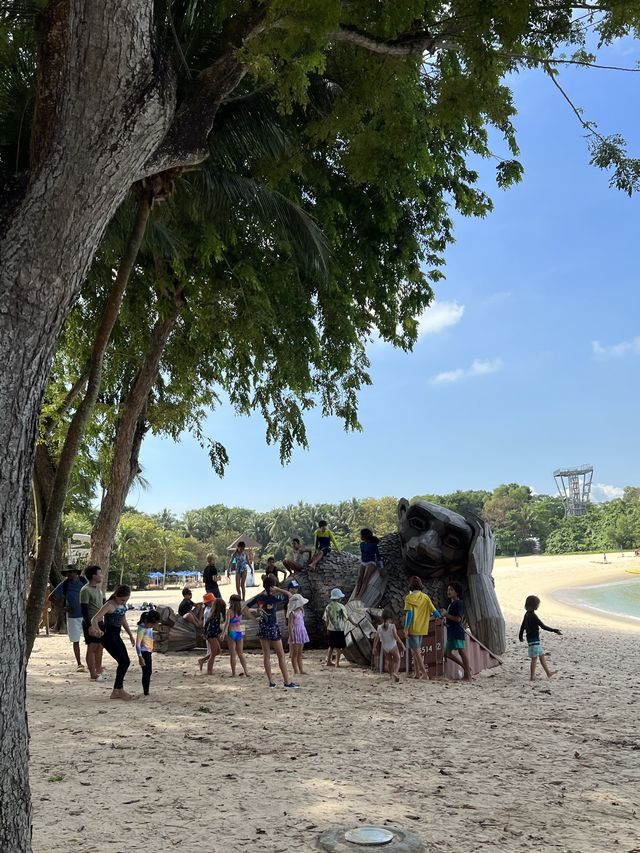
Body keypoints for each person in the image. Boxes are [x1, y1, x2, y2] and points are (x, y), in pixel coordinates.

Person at [246, 575, 299, 688]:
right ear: (272, 586)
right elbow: (290, 596)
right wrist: (278, 589)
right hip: (273, 627)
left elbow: (244, 609)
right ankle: (287, 682)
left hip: (262, 627)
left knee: (266, 655)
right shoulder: (275, 597)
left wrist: (255, 619)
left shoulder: (259, 597)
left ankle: (271, 682)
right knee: (281, 655)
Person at [89, 585, 136, 700]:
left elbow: (123, 619)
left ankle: (118, 690)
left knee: (126, 661)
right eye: (122, 600)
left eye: (126, 600)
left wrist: (130, 634)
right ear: (116, 596)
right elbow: (94, 619)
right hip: (108, 637)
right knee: (123, 662)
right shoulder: (109, 605)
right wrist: (97, 629)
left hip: (117, 636)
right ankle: (117, 690)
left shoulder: (122, 605)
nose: (124, 602)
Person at [50, 566, 87, 671]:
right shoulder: (65, 585)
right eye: (68, 573)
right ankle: (79, 663)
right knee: (76, 640)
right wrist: (63, 609)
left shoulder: (84, 582)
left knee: (91, 640)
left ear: (76, 573)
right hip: (73, 617)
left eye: (72, 572)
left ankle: (92, 661)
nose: (70, 574)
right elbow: (51, 597)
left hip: (86, 615)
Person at [403, 576, 439, 681]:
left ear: (411, 586)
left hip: (412, 628)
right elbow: (434, 611)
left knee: (417, 651)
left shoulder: (408, 598)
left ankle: (424, 674)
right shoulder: (425, 597)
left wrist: (406, 628)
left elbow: (409, 615)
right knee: (415, 651)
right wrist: (439, 617)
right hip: (422, 628)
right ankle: (417, 673)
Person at [519, 595, 562, 680]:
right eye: (538, 604)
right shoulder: (533, 615)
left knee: (541, 655)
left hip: (532, 640)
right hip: (534, 640)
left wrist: (520, 635)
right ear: (534, 605)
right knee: (534, 659)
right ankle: (532, 677)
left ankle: (548, 673)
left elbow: (522, 626)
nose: (538, 606)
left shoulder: (526, 614)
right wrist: (554, 630)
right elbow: (542, 626)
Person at [80, 565, 106, 681]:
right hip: (90, 622)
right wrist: (90, 626)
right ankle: (92, 674)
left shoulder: (99, 589)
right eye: (99, 573)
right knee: (92, 647)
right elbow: (84, 610)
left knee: (100, 646)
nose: (101, 575)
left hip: (100, 622)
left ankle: (98, 669)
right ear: (93, 576)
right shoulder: (85, 590)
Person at [442, 582, 472, 681]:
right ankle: (466, 668)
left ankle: (468, 675)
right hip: (451, 631)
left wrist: (446, 615)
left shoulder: (459, 603)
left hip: (457, 632)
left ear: (457, 592)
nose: (448, 592)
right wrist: (445, 623)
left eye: (451, 590)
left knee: (461, 652)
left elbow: (458, 619)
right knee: (447, 653)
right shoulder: (451, 604)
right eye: (448, 590)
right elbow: (452, 620)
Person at [322, 588, 357, 668]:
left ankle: (328, 661)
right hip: (339, 630)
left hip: (331, 629)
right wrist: (354, 623)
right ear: (339, 598)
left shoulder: (328, 607)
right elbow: (347, 617)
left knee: (331, 646)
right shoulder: (342, 607)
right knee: (339, 647)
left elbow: (326, 619)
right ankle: (337, 663)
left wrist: (327, 627)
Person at [373, 607, 404, 683]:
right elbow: (396, 636)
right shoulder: (392, 626)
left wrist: (374, 647)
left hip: (385, 647)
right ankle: (395, 673)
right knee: (397, 659)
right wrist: (402, 644)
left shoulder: (379, 627)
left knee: (390, 661)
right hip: (393, 646)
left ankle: (390, 676)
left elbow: (376, 638)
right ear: (390, 618)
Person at [221, 594, 250, 677]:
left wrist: (223, 634)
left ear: (231, 601)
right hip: (239, 632)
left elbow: (226, 623)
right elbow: (250, 610)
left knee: (233, 654)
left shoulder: (229, 611)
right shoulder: (240, 611)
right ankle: (246, 671)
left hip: (232, 632)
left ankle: (233, 673)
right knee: (241, 653)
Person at [136, 610, 161, 696]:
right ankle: (146, 691)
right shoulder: (142, 629)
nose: (152, 626)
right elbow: (138, 644)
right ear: (146, 621)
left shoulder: (149, 628)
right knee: (146, 672)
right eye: (152, 624)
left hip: (148, 651)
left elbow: (150, 638)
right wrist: (140, 657)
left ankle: (147, 690)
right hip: (144, 652)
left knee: (149, 672)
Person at [199, 596, 226, 675]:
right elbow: (213, 626)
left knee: (218, 651)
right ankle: (209, 670)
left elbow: (207, 624)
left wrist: (205, 633)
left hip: (212, 634)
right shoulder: (215, 615)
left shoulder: (213, 614)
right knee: (214, 653)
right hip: (211, 635)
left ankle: (202, 660)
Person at [353, 528, 382, 600]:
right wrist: (359, 561)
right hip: (363, 562)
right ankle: (355, 595)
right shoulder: (362, 544)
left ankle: (359, 596)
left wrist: (381, 567)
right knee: (359, 579)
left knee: (365, 578)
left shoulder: (373, 545)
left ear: (365, 536)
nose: (360, 536)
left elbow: (378, 556)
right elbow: (362, 555)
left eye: (361, 535)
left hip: (371, 562)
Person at [287, 592, 310, 676]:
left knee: (300, 653)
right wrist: (291, 635)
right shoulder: (292, 613)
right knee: (294, 654)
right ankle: (296, 670)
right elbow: (290, 625)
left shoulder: (300, 611)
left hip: (301, 632)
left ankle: (301, 669)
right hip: (295, 632)